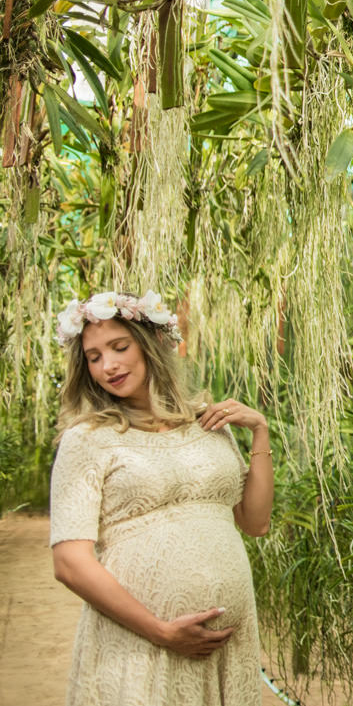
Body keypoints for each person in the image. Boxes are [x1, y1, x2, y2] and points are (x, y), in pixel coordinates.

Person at [48, 290, 275, 705]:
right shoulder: (87, 440)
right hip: (139, 645)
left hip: (227, 647)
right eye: (94, 357)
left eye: (119, 347)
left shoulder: (208, 424)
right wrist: (161, 631)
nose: (108, 366)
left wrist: (260, 430)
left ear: (151, 345)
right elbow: (69, 563)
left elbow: (255, 522)